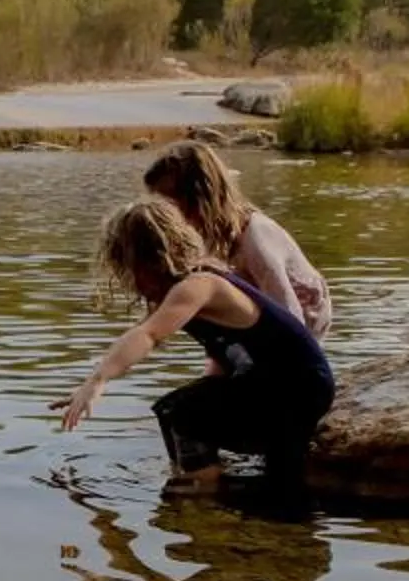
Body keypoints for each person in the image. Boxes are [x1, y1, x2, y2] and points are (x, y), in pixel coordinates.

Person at [58, 198, 337, 487]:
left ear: (152, 261)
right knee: (176, 409)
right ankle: (200, 479)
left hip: (299, 388)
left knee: (183, 413)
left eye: (128, 270)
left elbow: (148, 335)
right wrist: (91, 380)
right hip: (273, 384)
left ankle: (201, 489)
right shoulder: (184, 289)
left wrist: (99, 380)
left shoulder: (198, 285)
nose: (130, 282)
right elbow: (153, 336)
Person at [143, 141, 330, 338]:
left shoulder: (255, 236)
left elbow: (291, 315)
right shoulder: (206, 235)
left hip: (303, 323)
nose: (166, 213)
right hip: (261, 317)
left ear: (202, 196)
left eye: (171, 203)